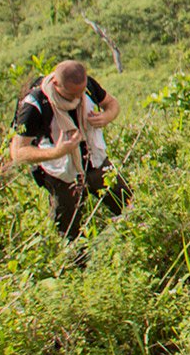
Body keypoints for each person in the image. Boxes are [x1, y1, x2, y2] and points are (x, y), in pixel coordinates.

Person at [10, 60, 129, 240]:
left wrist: (106, 116)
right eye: (72, 94)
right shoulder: (34, 106)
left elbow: (112, 104)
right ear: (56, 84)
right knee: (69, 234)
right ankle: (78, 264)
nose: (78, 98)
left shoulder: (87, 86)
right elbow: (18, 152)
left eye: (81, 92)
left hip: (95, 163)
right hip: (62, 176)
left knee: (129, 206)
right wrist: (58, 151)